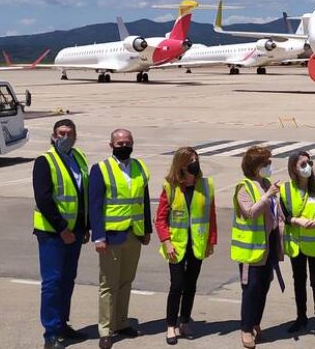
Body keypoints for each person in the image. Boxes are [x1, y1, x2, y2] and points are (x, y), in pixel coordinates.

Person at [89, 128, 152, 349]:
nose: (124, 146)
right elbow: (95, 206)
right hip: (111, 236)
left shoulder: (139, 168)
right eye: (119, 143)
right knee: (108, 285)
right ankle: (105, 330)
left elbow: (143, 200)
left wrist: (147, 229)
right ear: (111, 145)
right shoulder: (101, 169)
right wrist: (98, 237)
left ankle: (121, 322)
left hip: (134, 234)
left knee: (126, 282)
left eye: (127, 142)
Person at [33, 119, 90, 349]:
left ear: (75, 135)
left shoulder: (79, 158)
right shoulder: (44, 161)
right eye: (61, 133)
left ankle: (62, 323)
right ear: (54, 136)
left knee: (68, 279)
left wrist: (85, 226)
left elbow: (82, 195)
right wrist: (62, 229)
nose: (65, 137)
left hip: (75, 231)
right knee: (52, 282)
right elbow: (44, 199)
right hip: (52, 233)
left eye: (69, 133)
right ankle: (50, 332)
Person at [155, 147, 217, 345]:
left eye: (196, 159)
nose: (194, 162)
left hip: (197, 244)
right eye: (190, 159)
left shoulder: (206, 186)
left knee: (191, 285)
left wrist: (211, 240)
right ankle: (170, 325)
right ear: (181, 164)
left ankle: (185, 320)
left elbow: (211, 216)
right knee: (177, 285)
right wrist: (166, 241)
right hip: (177, 245)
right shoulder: (170, 187)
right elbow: (160, 219)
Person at [232, 145, 284, 349]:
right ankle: (245, 329)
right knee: (251, 288)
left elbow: (274, 212)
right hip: (251, 247)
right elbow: (250, 212)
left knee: (264, 284)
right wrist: (268, 195)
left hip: (268, 243)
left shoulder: (267, 183)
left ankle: (255, 322)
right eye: (266, 164)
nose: (269, 167)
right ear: (255, 167)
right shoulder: (244, 187)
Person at [279, 150, 315, 338]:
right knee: (299, 280)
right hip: (297, 243)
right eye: (302, 164)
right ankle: (301, 317)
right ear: (293, 168)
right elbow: (284, 215)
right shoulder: (286, 189)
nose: (308, 167)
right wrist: (296, 221)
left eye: (309, 163)